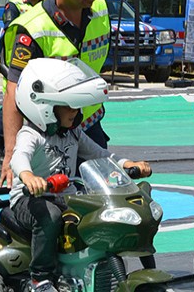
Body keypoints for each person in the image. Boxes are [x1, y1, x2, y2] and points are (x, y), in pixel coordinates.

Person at [8, 58, 151, 292]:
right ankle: (40, 279)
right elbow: (18, 157)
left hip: (66, 197)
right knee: (50, 216)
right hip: (30, 199)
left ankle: (90, 269)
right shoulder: (30, 135)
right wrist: (28, 177)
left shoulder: (73, 134)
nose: (77, 113)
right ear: (45, 107)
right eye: (71, 106)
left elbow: (101, 155)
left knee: (99, 213)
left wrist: (127, 164)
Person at [0, 0, 112, 189]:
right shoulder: (32, 28)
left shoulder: (100, 9)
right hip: (49, 131)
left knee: (105, 195)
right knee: (52, 202)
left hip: (89, 123)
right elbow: (13, 91)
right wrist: (11, 153)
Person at [0, 0, 49, 165]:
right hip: (15, 63)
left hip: (37, 65)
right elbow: (8, 35)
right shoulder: (14, 6)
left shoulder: (45, 6)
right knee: (12, 101)